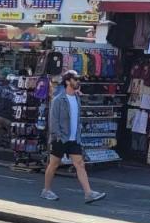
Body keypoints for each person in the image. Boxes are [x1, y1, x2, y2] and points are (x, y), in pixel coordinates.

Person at [41, 71, 106, 204]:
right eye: (75, 79)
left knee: (80, 164)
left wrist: (78, 136)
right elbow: (53, 121)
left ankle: (88, 193)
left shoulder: (77, 98)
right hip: (61, 138)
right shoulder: (58, 99)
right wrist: (57, 136)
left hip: (73, 139)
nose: (78, 81)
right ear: (67, 81)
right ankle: (46, 190)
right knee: (54, 164)